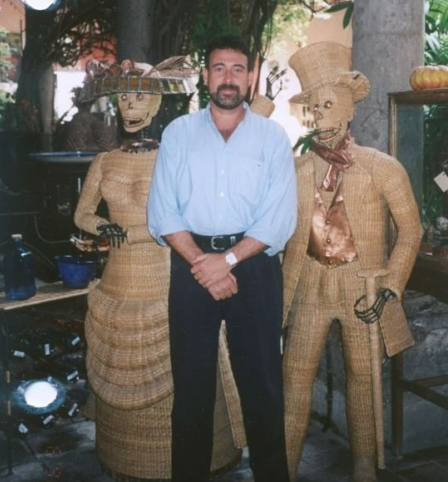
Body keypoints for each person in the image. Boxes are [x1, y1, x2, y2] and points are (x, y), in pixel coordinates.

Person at [74, 56, 244, 481]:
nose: (130, 106)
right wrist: (103, 226)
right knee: (119, 360)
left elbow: (203, 212)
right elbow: (82, 215)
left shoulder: (177, 154)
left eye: (139, 98)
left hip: (168, 272)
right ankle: (125, 456)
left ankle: (196, 457)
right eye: (124, 98)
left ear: (154, 106)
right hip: (120, 279)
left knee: (184, 360)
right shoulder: (105, 161)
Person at [147, 34, 297, 482]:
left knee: (264, 389)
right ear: (205, 75)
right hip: (191, 263)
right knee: (191, 390)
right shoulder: (178, 133)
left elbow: (278, 218)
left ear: (250, 76)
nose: (228, 78)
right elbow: (163, 211)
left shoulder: (273, 138)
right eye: (218, 68)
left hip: (253, 267)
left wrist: (226, 262)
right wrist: (204, 264)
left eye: (237, 69)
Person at [281, 41, 422, 482]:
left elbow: (411, 230)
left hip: (363, 290)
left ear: (347, 110)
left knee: (363, 381)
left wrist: (390, 285)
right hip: (308, 287)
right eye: (313, 109)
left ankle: (364, 466)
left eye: (327, 106)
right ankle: (281, 467)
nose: (320, 118)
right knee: (294, 381)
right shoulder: (295, 170)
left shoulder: (382, 168)